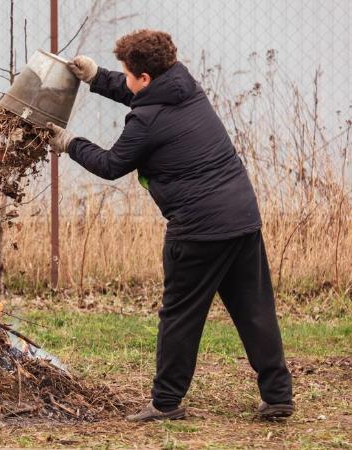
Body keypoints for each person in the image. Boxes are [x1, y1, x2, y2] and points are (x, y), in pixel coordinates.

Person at [47, 29, 293, 421]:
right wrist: (96, 77)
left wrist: (69, 142)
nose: (126, 79)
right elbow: (141, 96)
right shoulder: (184, 85)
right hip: (242, 216)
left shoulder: (146, 122)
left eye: (127, 73)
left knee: (181, 315)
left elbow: (111, 165)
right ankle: (278, 395)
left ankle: (165, 403)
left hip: (197, 230)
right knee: (254, 309)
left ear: (145, 77)